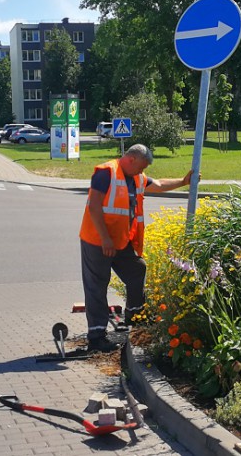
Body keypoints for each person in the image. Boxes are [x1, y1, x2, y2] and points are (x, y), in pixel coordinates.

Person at [79, 143, 195, 352]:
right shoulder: (106, 173)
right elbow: (94, 206)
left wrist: (183, 182)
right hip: (97, 241)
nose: (143, 172)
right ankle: (96, 337)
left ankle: (135, 315)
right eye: (141, 167)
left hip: (120, 242)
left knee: (137, 269)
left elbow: (158, 184)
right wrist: (105, 239)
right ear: (131, 159)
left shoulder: (136, 177)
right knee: (97, 286)